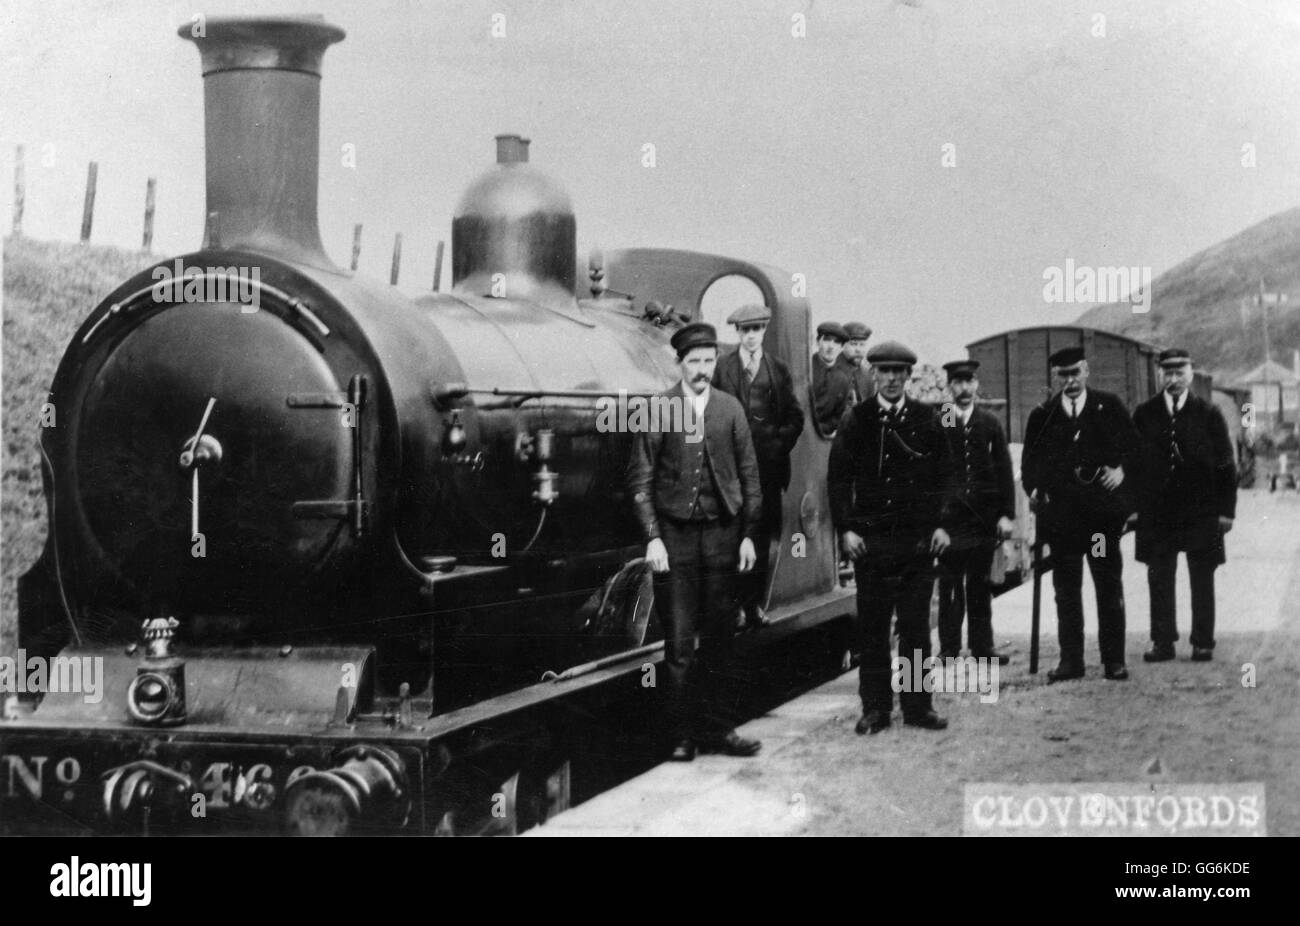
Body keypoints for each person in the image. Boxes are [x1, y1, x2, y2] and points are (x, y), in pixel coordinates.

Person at [628, 321, 763, 761]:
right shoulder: (658, 410)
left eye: (709, 361)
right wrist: (653, 538)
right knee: (680, 644)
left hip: (724, 538)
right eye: (695, 362)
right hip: (676, 541)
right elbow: (640, 481)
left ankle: (720, 731)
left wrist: (746, 537)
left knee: (722, 638)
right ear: (679, 363)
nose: (703, 369)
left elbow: (750, 479)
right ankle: (682, 736)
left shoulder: (731, 410)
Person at [828, 340, 953, 734]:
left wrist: (941, 524)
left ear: (908, 376)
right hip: (872, 544)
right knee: (874, 629)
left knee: (916, 628)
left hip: (916, 543)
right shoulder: (857, 419)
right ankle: (876, 709)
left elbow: (946, 476)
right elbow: (838, 478)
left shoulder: (927, 418)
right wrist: (846, 528)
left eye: (900, 372)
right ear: (875, 375)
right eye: (885, 371)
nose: (893, 379)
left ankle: (918, 707)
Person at [1021, 346, 1139, 682]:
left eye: (1075, 373)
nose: (1070, 381)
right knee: (1067, 591)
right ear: (1055, 377)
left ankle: (1113, 660)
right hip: (1063, 525)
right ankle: (1071, 661)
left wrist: (1121, 471)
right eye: (1063, 375)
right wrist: (1034, 490)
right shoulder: (1042, 416)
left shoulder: (1109, 407)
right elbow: (1029, 465)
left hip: (1101, 524)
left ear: (1086, 371)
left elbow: (1136, 449)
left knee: (1106, 584)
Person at [1132, 349, 1237, 663]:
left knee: (1202, 577)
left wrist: (1226, 511)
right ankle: (1162, 642)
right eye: (1168, 373)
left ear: (1191, 374)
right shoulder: (1145, 414)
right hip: (1158, 513)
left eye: (1180, 373)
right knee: (1159, 577)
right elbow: (1133, 464)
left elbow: (1225, 465)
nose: (1174, 379)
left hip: (1200, 511)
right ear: (1160, 375)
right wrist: (1132, 508)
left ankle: (1203, 640)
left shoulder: (1209, 414)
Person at [711, 303, 805, 631]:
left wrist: (779, 444)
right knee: (732, 537)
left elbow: (795, 415)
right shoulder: (721, 368)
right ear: (737, 333)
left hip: (767, 471)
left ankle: (753, 607)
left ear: (764, 330)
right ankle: (732, 607)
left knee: (761, 539)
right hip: (731, 473)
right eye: (745, 330)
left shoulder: (777, 369)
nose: (751, 336)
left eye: (757, 329)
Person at [936, 359, 1015, 664]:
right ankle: (949, 649)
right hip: (950, 523)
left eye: (969, 382)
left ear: (977, 385)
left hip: (983, 519)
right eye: (958, 382)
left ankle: (983, 648)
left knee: (980, 586)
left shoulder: (989, 422)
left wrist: (1006, 514)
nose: (964, 388)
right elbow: (931, 471)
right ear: (949, 387)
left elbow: (1004, 470)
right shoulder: (941, 419)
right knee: (950, 587)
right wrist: (935, 522)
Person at [810, 322, 853, 436]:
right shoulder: (804, 368)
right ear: (817, 341)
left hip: (821, 439)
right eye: (827, 340)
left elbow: (839, 416)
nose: (831, 346)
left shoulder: (842, 380)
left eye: (837, 342)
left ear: (842, 348)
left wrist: (822, 428)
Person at [837, 321, 875, 411]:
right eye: (853, 344)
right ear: (843, 345)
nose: (858, 349)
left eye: (862, 345)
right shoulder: (830, 370)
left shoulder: (867, 374)